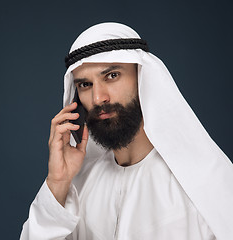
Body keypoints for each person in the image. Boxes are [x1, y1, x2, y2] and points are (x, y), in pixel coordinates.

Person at [20, 23, 233, 240]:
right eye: (85, 84)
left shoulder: (203, 185)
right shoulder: (77, 188)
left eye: (112, 76)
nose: (98, 98)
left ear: (142, 77)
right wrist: (58, 182)